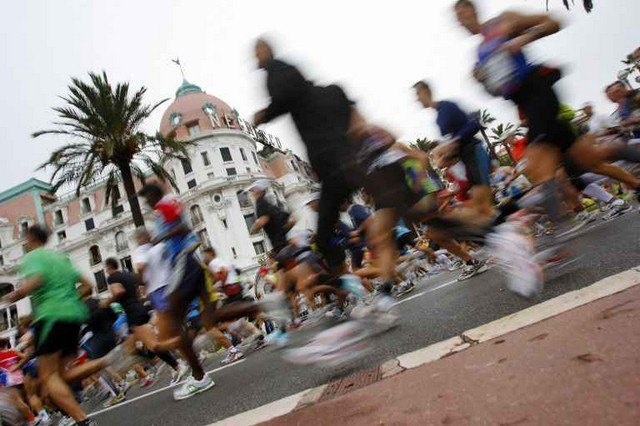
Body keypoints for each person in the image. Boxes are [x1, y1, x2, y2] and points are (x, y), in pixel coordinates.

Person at [253, 39, 363, 276]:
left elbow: (284, 96)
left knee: (323, 239)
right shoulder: (333, 92)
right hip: (353, 161)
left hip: (331, 166)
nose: (256, 59)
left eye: (258, 54)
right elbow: (356, 120)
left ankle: (356, 290)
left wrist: (265, 114)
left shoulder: (278, 74)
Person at [1, 225, 119, 425]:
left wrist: (14, 295)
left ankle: (83, 420)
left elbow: (36, 280)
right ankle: (107, 360)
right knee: (62, 375)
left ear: (30, 238)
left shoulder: (33, 257)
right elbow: (88, 285)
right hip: (73, 317)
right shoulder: (60, 258)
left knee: (48, 377)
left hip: (50, 317)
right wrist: (70, 299)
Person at [413, 80, 493, 219]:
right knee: (480, 205)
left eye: (418, 94)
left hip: (474, 151)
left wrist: (454, 142)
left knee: (483, 201)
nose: (417, 99)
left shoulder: (447, 106)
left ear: (426, 91)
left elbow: (474, 123)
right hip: (466, 159)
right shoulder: (438, 119)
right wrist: (447, 151)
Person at [103, 258, 188, 385]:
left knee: (154, 346)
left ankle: (181, 357)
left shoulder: (112, 277)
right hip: (138, 309)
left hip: (133, 313)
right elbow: (139, 289)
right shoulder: (129, 275)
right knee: (132, 349)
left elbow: (118, 291)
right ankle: (153, 371)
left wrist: (107, 302)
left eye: (106, 269)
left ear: (109, 268)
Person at [247, 179, 294, 255]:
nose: (251, 193)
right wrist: (282, 231)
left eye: (253, 190)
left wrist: (253, 230)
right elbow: (292, 220)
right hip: (287, 242)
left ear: (259, 191)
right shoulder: (270, 205)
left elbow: (262, 220)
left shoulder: (260, 203)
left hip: (280, 245)